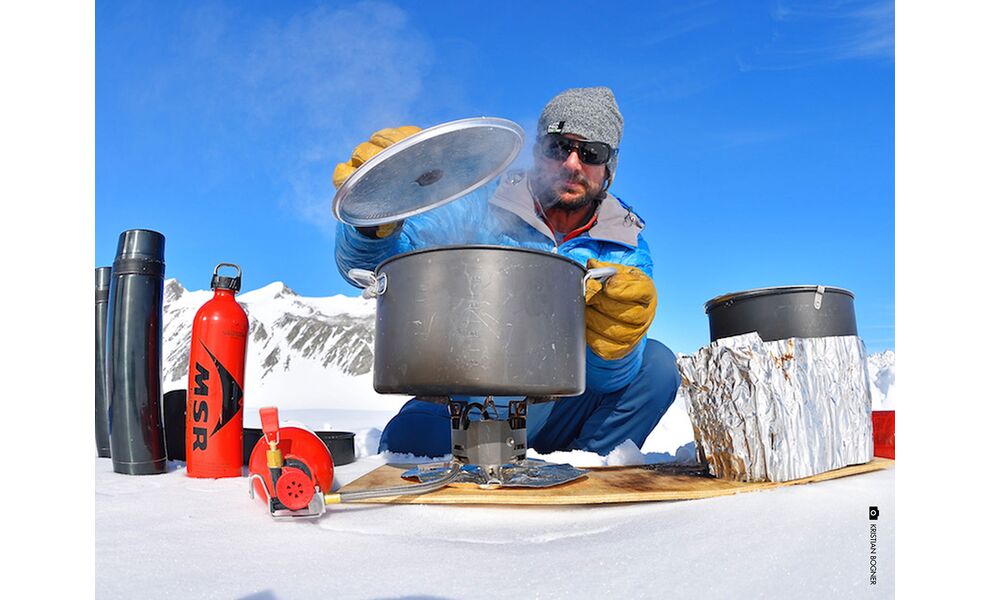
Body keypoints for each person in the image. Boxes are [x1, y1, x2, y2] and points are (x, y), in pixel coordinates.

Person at [332, 86, 680, 457]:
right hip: (475, 396)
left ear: (608, 168)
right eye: (559, 147)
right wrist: (380, 211)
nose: (572, 164)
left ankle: (589, 467)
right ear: (538, 151)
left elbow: (606, 380)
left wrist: (615, 344)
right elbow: (374, 262)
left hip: (564, 405)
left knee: (657, 367)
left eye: (592, 152)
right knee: (410, 444)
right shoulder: (483, 199)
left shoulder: (624, 245)